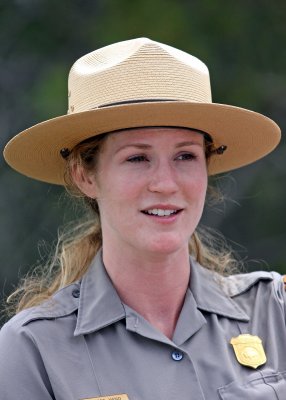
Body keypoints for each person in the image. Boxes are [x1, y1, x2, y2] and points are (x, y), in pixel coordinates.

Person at [0, 37, 284, 400]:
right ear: (85, 175)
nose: (166, 184)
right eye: (137, 158)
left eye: (185, 156)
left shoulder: (275, 313)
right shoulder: (33, 351)